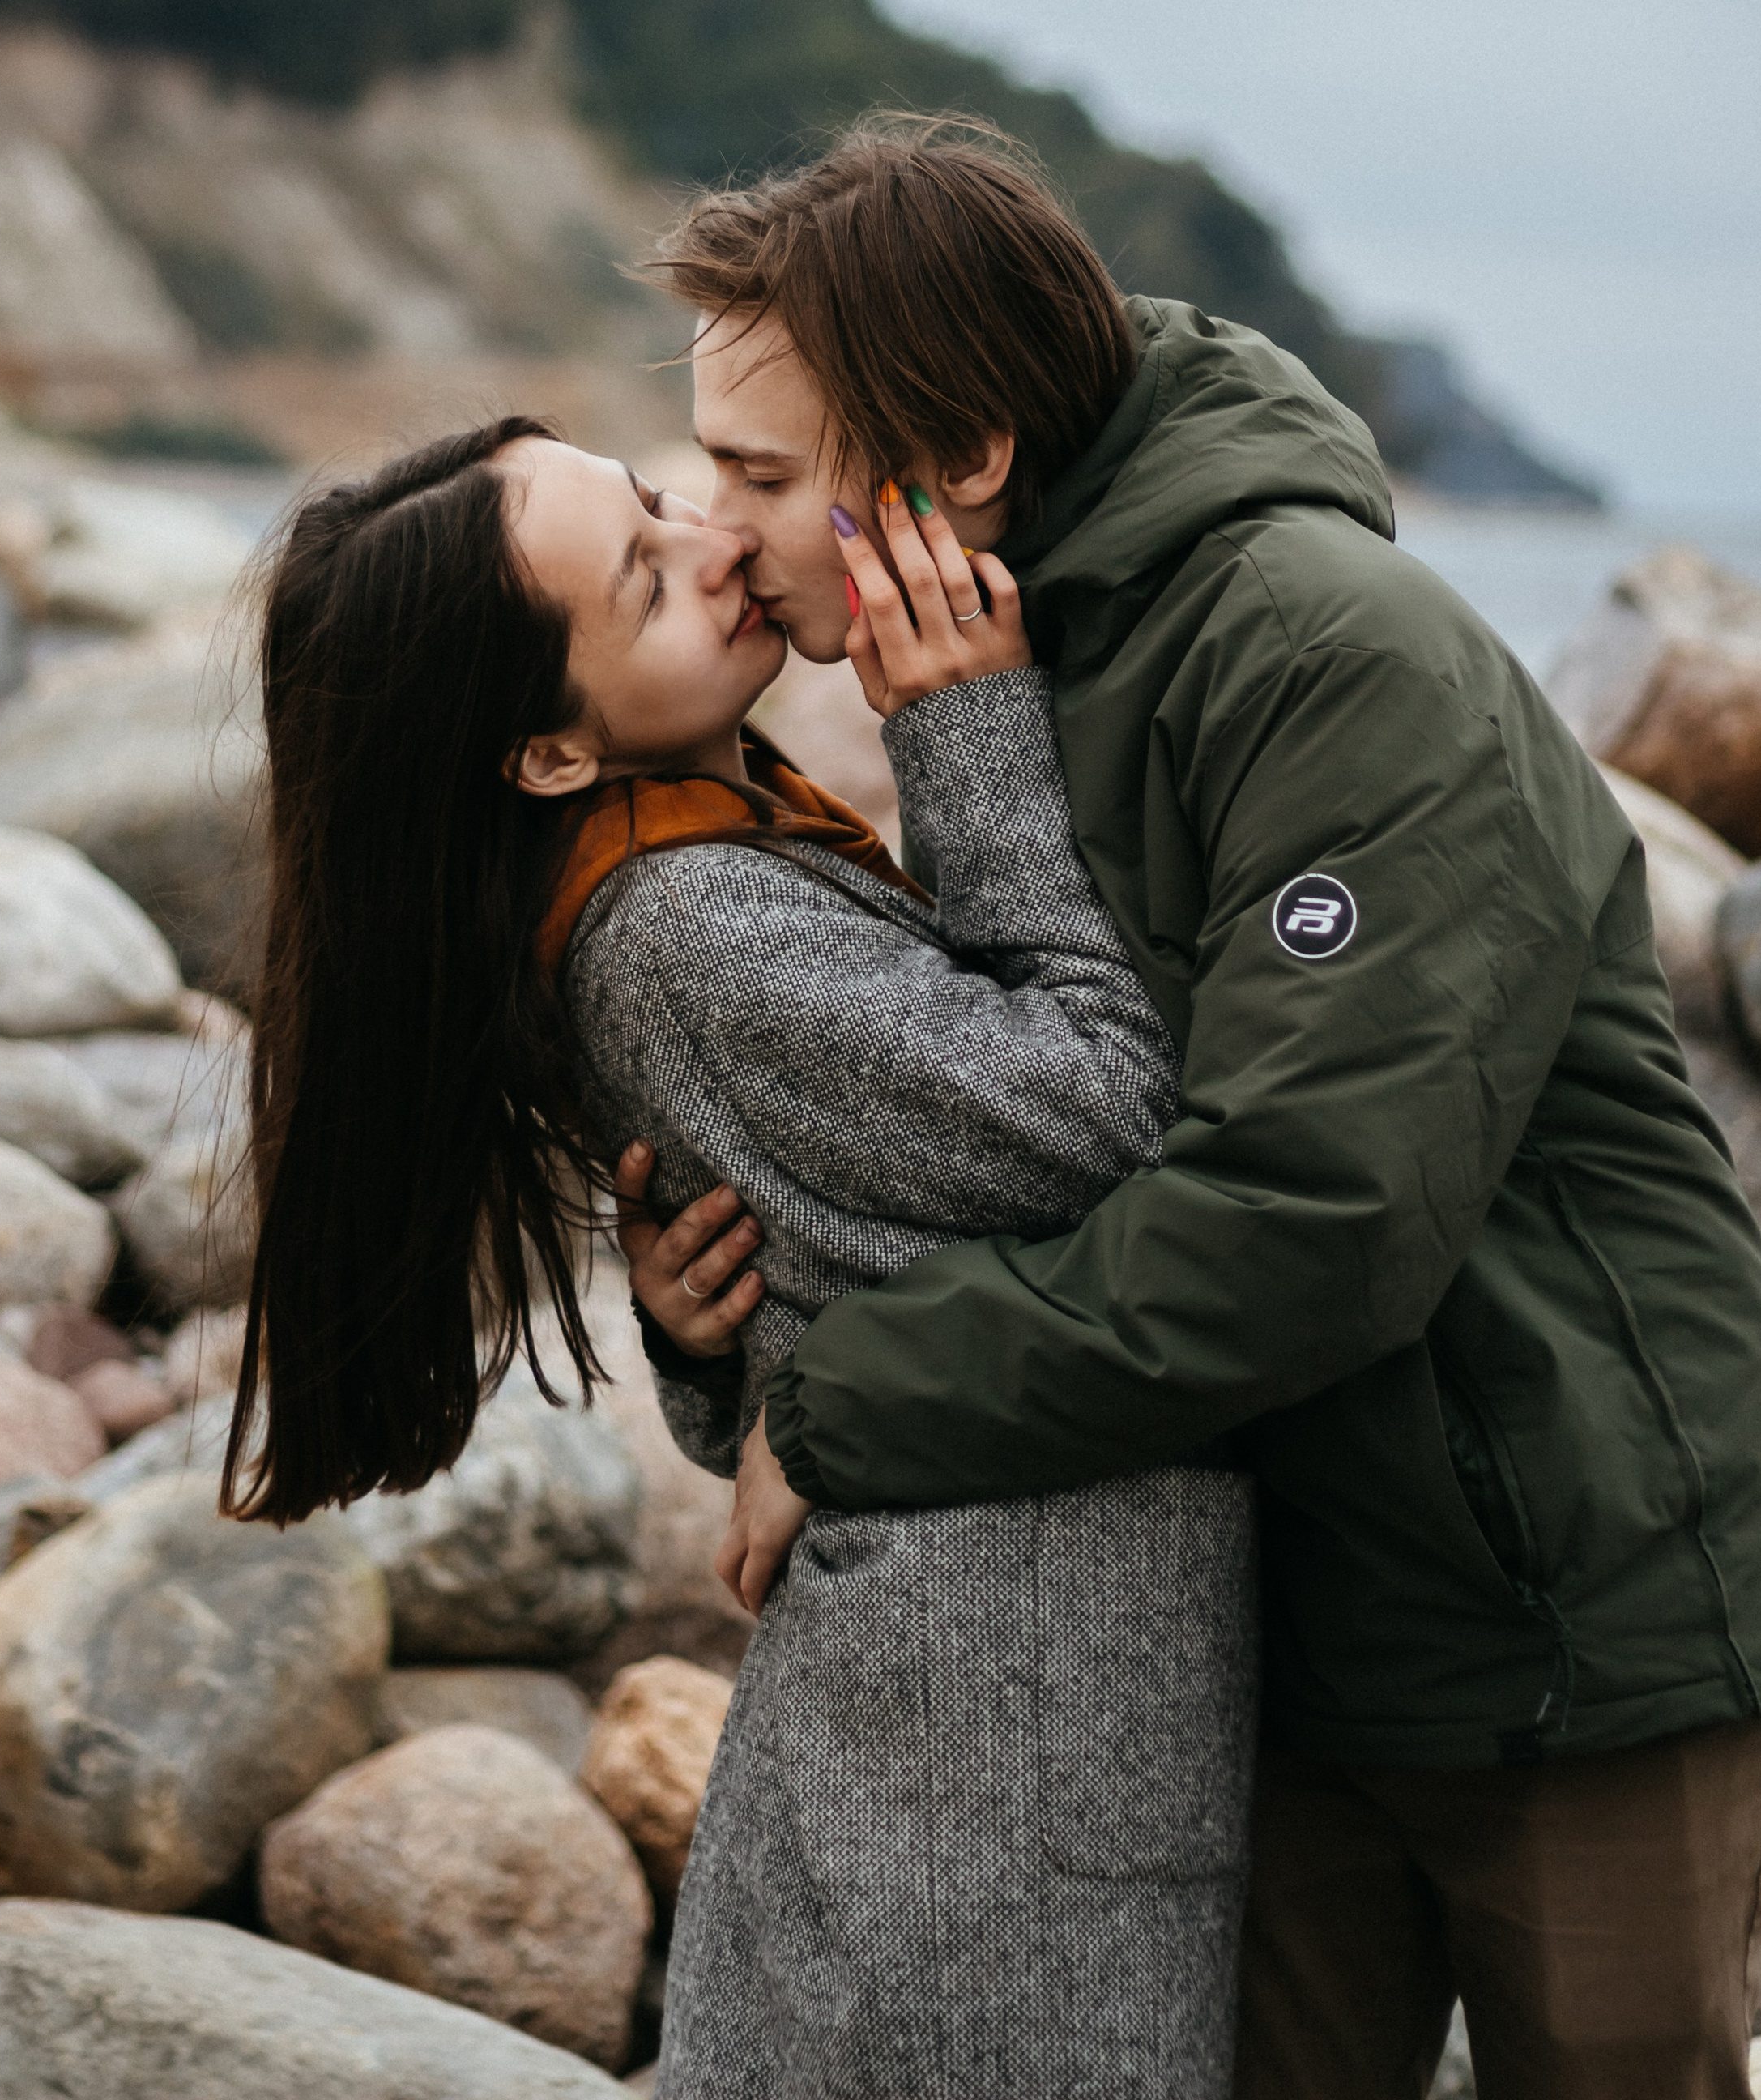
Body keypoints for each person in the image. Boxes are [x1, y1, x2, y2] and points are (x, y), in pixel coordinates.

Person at [624, 113, 1761, 2100]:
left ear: (962, 460)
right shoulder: (1001, 675)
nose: (720, 525)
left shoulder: (1326, 654)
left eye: (760, 474)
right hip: (1269, 1639)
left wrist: (848, 1409)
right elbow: (1031, 1137)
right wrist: (724, 1314)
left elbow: (1309, 1215)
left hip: (1572, 1621)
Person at [223, 415, 1256, 2100]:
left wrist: (716, 1351)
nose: (711, 538)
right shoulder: (678, 930)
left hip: (986, 1702)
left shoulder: (694, 835)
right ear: (548, 757)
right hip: (1000, 1746)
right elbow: (1110, 1120)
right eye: (642, 577)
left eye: (652, 497)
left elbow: (878, 1230)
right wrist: (968, 733)